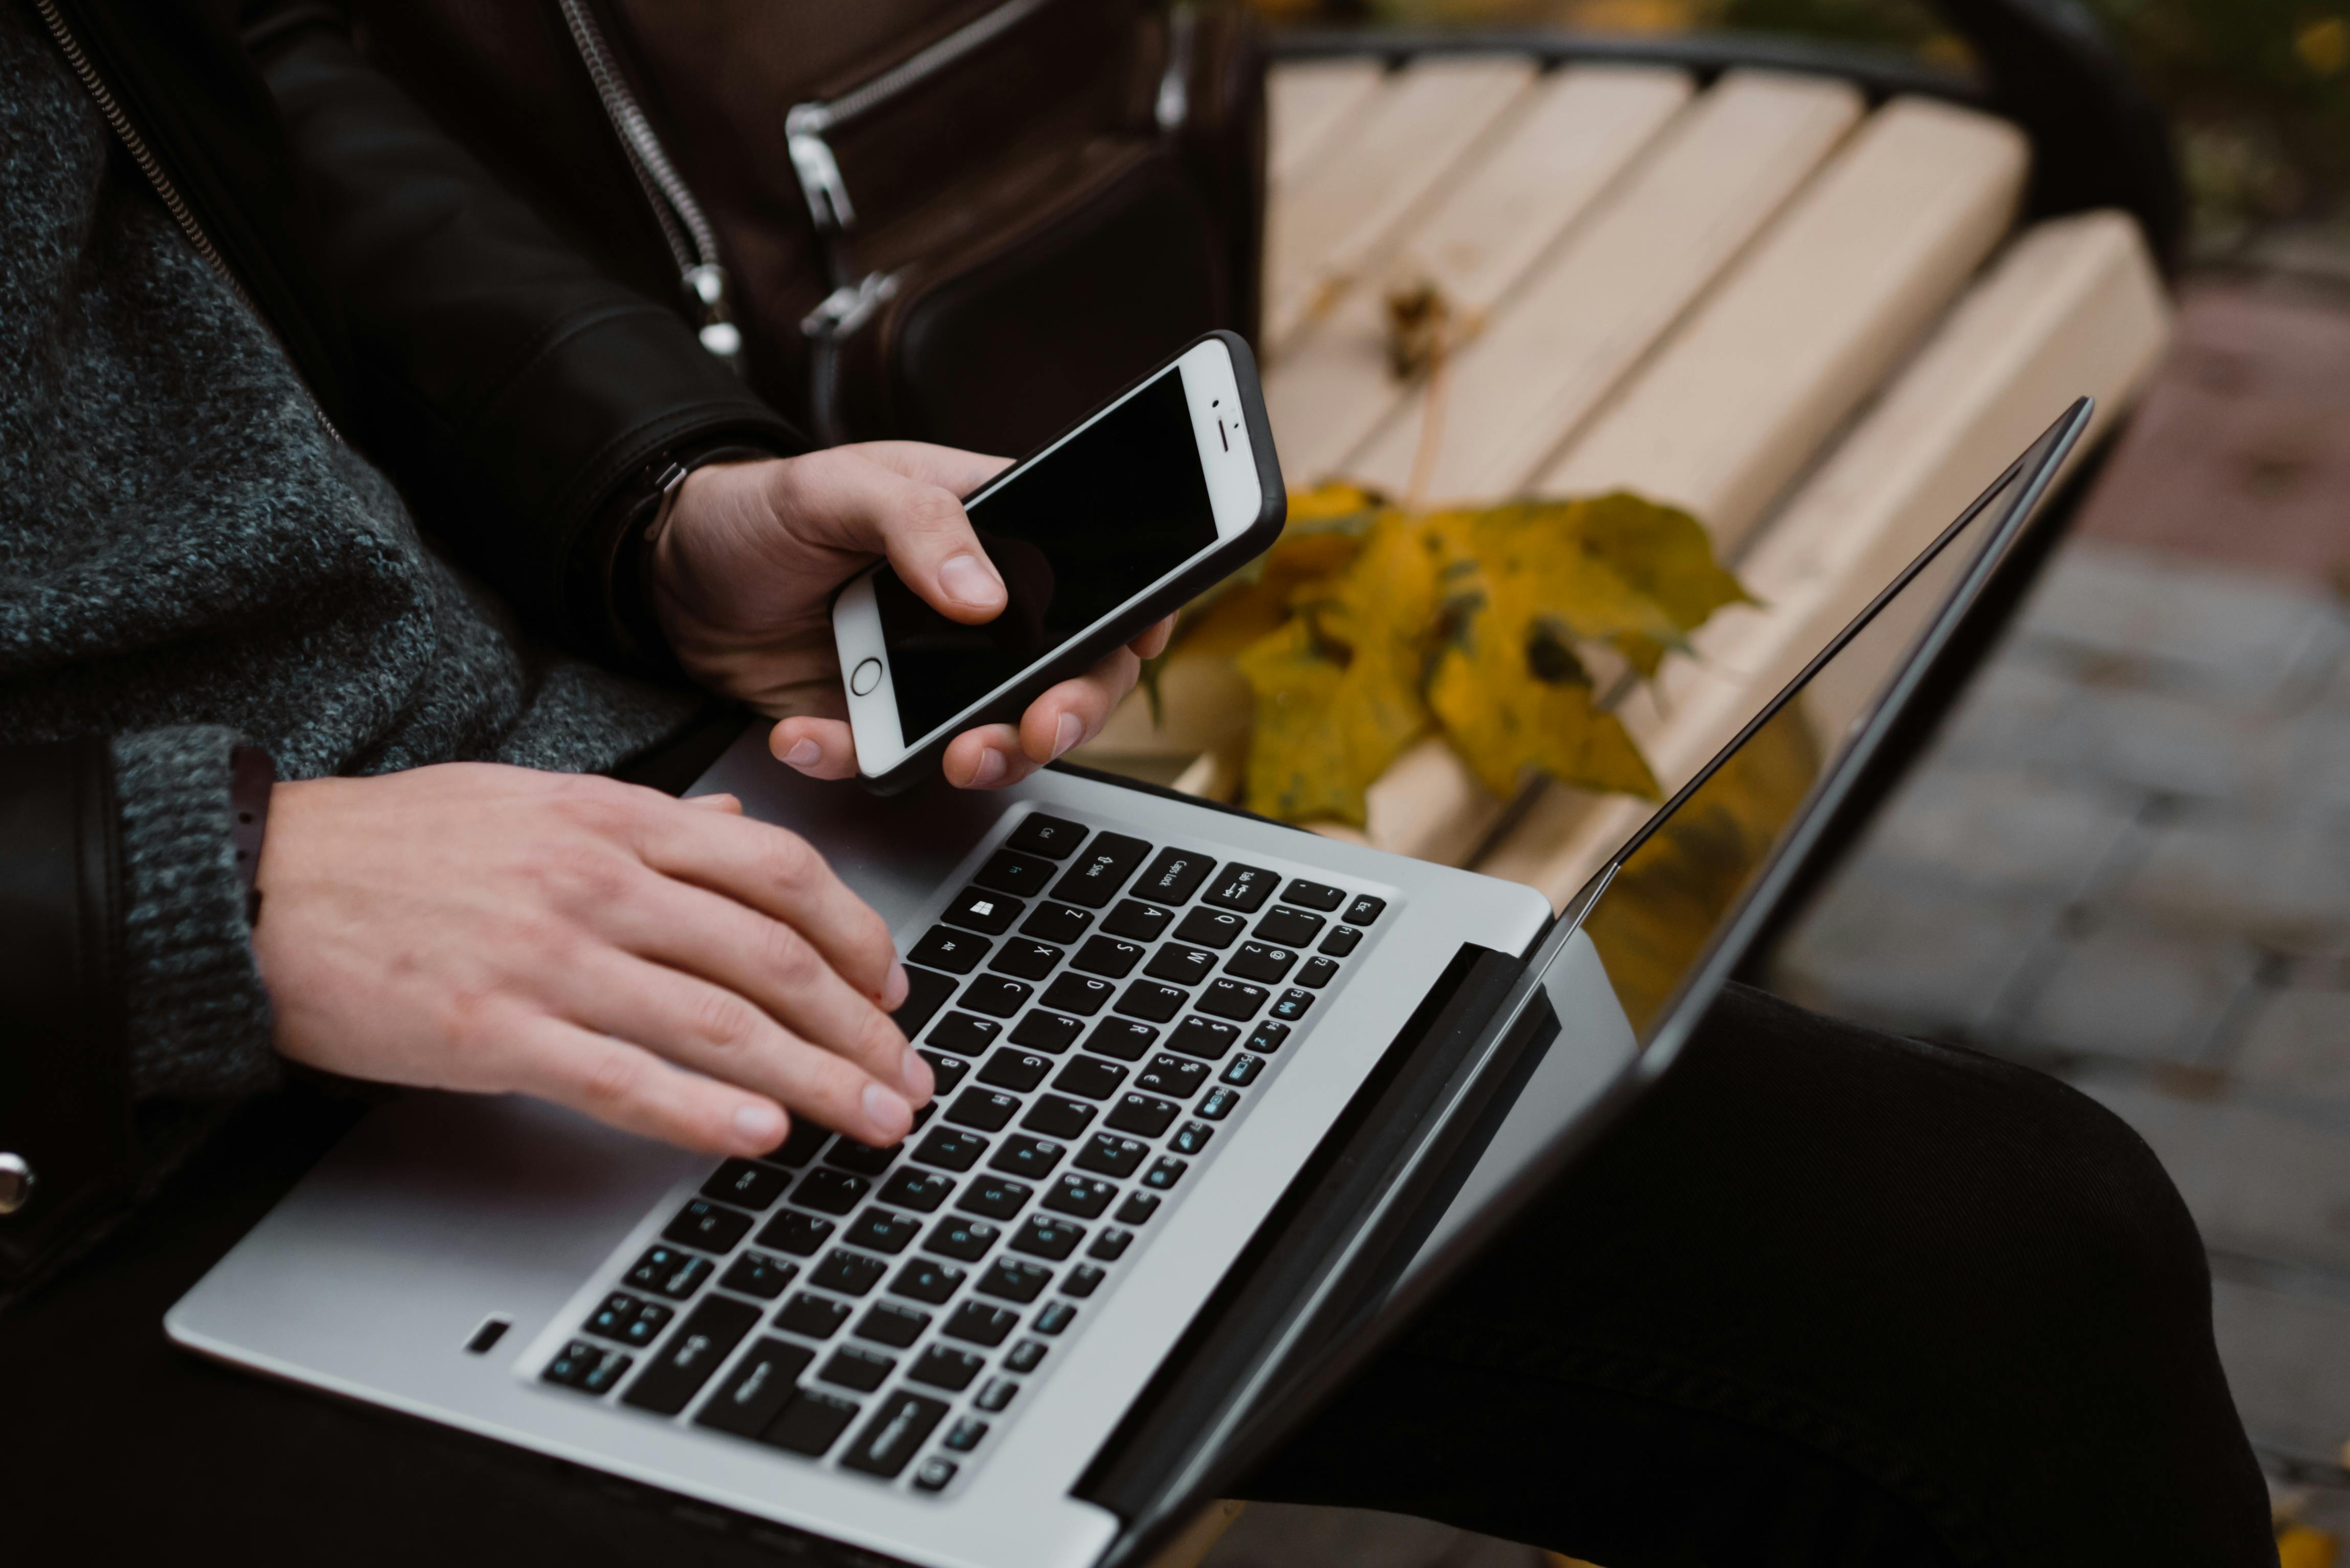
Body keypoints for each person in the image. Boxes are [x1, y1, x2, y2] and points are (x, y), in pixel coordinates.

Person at [0, 5, 2279, 1565]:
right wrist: (195, 889)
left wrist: (657, 500)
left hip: (610, 813)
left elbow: (238, 68)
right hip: (95, 1147)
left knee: (2005, 1250)